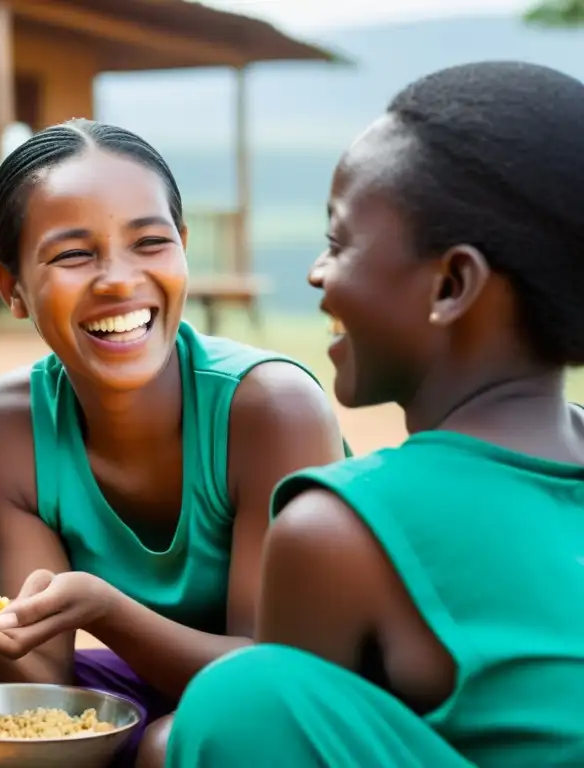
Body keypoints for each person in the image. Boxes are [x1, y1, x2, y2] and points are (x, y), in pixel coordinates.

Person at [163, 60, 584, 767]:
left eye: (338, 242)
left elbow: (281, 739)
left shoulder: (341, 531)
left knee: (242, 701)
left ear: (451, 284)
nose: (316, 274)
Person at [0, 119, 347, 765]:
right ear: (11, 287)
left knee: (171, 746)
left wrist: (108, 610)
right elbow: (43, 686)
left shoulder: (269, 409)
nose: (117, 279)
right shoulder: (2, 426)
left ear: (184, 248)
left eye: (151, 243)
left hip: (320, 700)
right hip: (164, 688)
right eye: (74, 254)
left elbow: (270, 679)